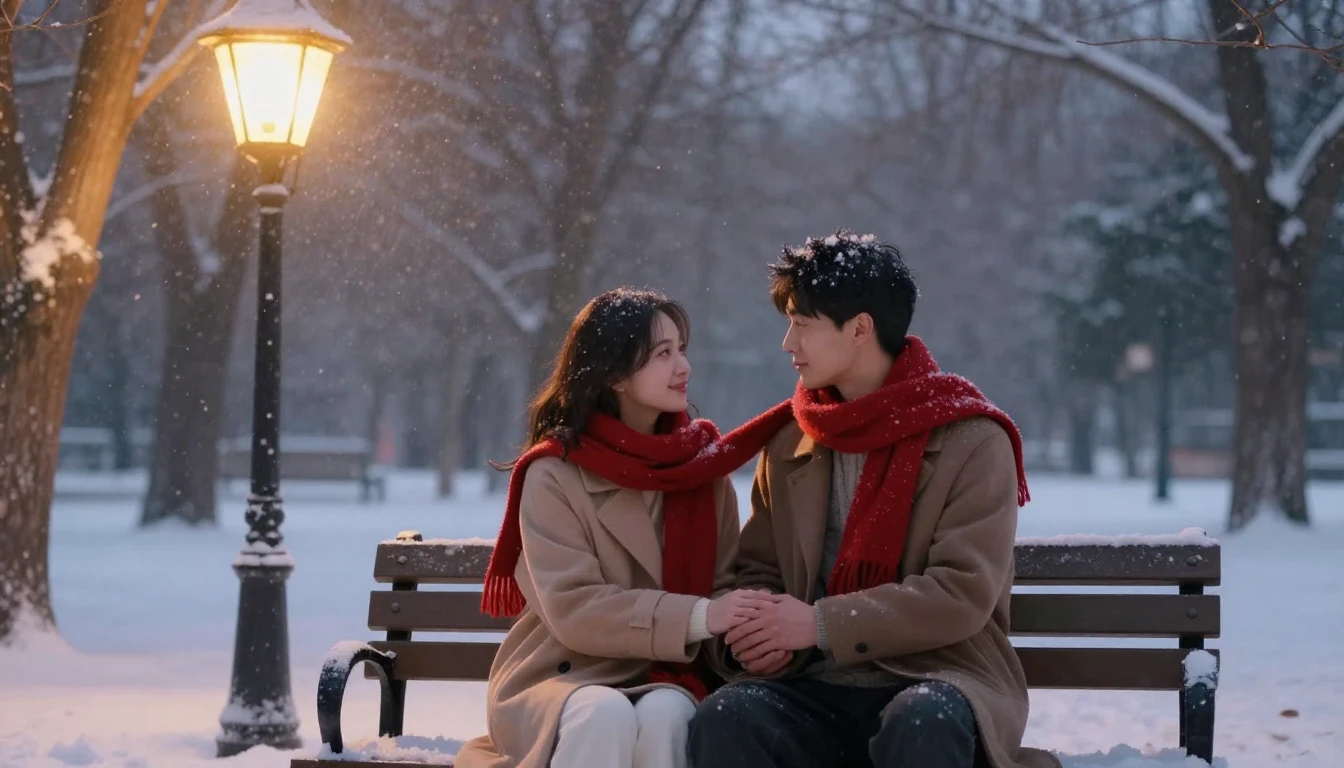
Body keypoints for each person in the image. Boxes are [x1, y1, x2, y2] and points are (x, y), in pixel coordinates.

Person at [687, 231, 1061, 768]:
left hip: (937, 677)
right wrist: (754, 636)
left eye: (802, 324)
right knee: (730, 716)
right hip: (814, 685)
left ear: (860, 328)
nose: (788, 344)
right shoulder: (791, 440)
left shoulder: (972, 440)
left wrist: (818, 624)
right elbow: (760, 571)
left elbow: (960, 591)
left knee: (921, 722)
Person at [454, 288, 793, 768]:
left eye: (682, 349)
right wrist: (700, 616)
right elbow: (575, 608)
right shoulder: (555, 473)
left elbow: (722, 591)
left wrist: (747, 639)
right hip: (559, 678)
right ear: (613, 373)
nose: (684, 367)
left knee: (668, 715)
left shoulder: (702, 472)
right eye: (663, 354)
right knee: (603, 713)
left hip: (668, 673)